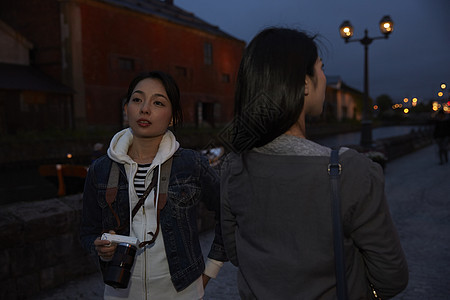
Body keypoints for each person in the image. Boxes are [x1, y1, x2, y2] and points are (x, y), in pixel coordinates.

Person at [220, 27, 409, 299]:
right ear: (305, 84)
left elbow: (235, 252)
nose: (324, 77)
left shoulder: (233, 168)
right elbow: (391, 276)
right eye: (321, 68)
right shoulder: (350, 171)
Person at [80, 71, 226, 299]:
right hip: (120, 292)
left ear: (173, 118)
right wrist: (99, 247)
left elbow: (228, 212)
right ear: (126, 108)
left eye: (158, 102)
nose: (144, 109)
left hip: (182, 291)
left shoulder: (191, 164)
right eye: (137, 100)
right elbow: (87, 231)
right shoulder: (100, 169)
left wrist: (210, 269)